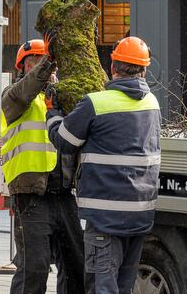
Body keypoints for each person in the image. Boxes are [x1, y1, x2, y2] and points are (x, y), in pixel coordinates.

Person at [46, 37, 161, 294]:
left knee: (102, 287)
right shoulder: (152, 103)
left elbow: (64, 141)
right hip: (140, 214)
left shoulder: (96, 103)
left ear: (113, 67)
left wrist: (52, 114)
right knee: (123, 286)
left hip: (106, 217)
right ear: (144, 70)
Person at [0, 37, 85, 294]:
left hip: (63, 194)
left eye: (42, 59)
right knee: (34, 268)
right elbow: (28, 88)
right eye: (33, 61)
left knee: (76, 267)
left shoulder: (61, 99)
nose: (38, 65)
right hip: (32, 196)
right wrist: (49, 60)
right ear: (21, 68)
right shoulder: (14, 97)